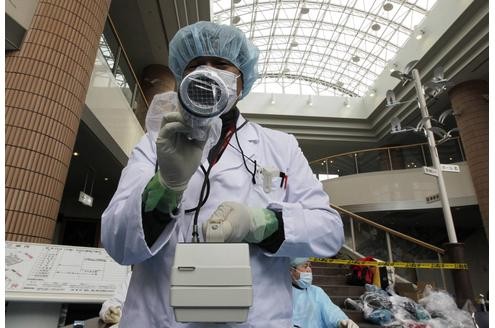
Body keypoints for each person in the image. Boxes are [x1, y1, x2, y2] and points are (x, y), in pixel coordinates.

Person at [101, 21, 344, 327]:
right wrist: (166, 186)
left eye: (220, 64)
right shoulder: (154, 145)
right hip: (158, 318)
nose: (208, 72)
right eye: (195, 65)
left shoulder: (281, 147)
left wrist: (262, 223)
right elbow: (117, 242)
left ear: (242, 80)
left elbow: (330, 232)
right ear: (181, 79)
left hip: (255, 319)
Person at [291, 258, 359, 328]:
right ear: (291, 270)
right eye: (305, 266)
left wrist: (341, 321)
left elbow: (331, 311)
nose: (309, 270)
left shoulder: (316, 292)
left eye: (310, 266)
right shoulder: (281, 294)